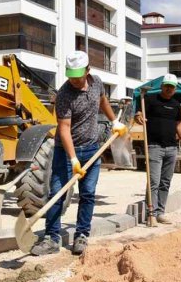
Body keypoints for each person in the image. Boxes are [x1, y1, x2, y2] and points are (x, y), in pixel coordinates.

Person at [30, 51, 127, 256]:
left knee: (88, 194)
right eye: (70, 76)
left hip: (92, 148)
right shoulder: (64, 94)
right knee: (58, 193)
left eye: (77, 76)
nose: (73, 80)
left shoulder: (97, 83)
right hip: (66, 151)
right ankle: (51, 238)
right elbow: (63, 128)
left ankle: (82, 235)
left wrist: (113, 121)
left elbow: (102, 101)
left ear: (88, 71)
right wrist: (73, 158)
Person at [134, 74, 181, 224]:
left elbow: (178, 125)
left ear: (175, 88)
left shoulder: (176, 104)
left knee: (165, 181)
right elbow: (139, 114)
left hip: (171, 148)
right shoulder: (150, 100)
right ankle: (150, 213)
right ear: (162, 86)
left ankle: (160, 212)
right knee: (153, 181)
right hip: (154, 147)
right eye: (167, 86)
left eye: (172, 87)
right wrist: (138, 116)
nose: (169, 89)